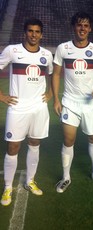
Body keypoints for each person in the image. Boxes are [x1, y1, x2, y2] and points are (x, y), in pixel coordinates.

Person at [52, 12, 93, 193]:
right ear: (73, 27)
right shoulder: (63, 48)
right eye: (79, 25)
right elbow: (56, 74)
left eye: (85, 26)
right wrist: (56, 99)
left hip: (90, 103)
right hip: (70, 101)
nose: (82, 28)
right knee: (69, 139)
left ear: (90, 29)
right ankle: (66, 177)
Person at [0, 18, 53, 206]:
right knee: (13, 147)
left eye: (37, 31)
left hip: (38, 108)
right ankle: (7, 187)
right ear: (25, 32)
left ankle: (30, 181)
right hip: (17, 108)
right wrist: (1, 95)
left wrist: (50, 93)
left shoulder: (47, 55)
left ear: (42, 34)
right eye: (30, 31)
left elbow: (52, 74)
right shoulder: (12, 51)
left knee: (34, 143)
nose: (33, 34)